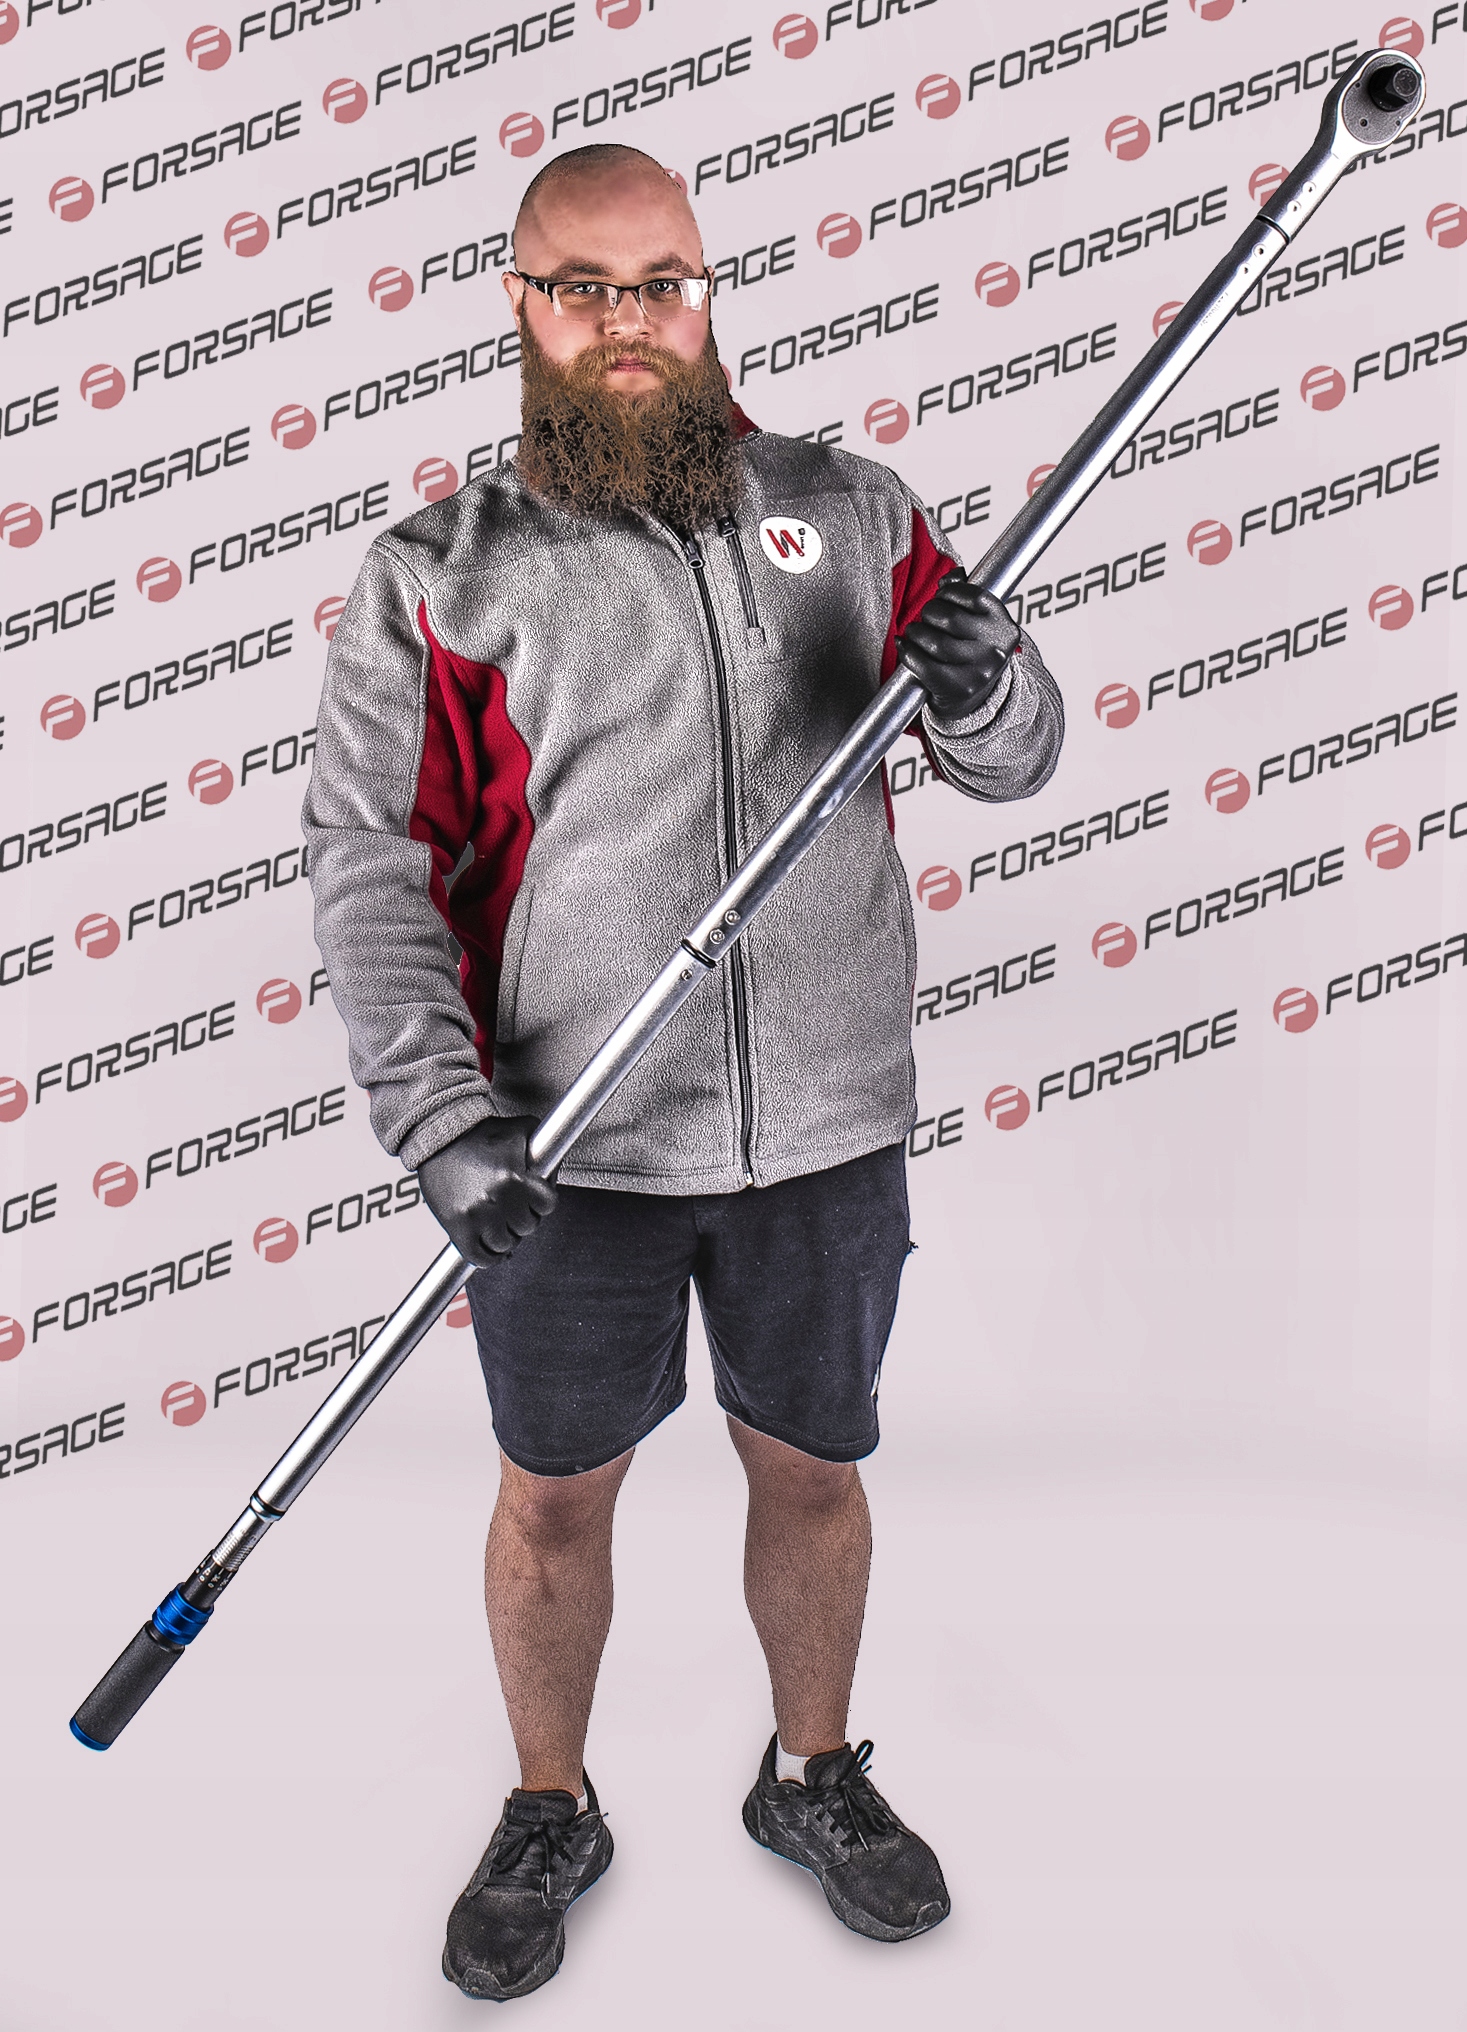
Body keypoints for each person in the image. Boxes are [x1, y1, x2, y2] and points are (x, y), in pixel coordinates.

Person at [304, 141, 1063, 2002]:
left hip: (822, 1125)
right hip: (567, 1147)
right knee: (556, 1493)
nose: (627, 321)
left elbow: (1015, 755)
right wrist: (441, 1124)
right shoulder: (441, 579)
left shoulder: (855, 512)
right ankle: (549, 1804)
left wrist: (986, 682)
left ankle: (813, 1777)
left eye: (661, 282)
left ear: (708, 290)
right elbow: (373, 866)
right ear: (522, 305)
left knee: (810, 1467)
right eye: (583, 287)